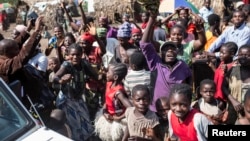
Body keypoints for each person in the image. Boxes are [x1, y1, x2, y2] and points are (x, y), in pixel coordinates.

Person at [139, 12, 192, 112]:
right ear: (161, 53)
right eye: (166, 49)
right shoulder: (156, 63)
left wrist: (188, 97)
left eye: (173, 49)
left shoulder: (182, 65)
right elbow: (144, 44)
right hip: (157, 109)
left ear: (177, 52)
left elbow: (189, 79)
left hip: (176, 110)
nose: (170, 50)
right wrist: (151, 19)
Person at [52, 43, 97, 141]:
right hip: (67, 100)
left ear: (81, 54)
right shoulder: (67, 65)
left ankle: (87, 138)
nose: (75, 57)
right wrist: (61, 81)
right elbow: (55, 77)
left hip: (78, 98)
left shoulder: (84, 64)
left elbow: (95, 75)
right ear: (68, 55)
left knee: (86, 120)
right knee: (74, 125)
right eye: (72, 55)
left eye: (77, 54)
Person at [94, 63, 132, 141]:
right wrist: (104, 111)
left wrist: (118, 118)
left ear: (115, 77)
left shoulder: (119, 93)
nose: (106, 73)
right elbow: (107, 101)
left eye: (108, 72)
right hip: (108, 115)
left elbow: (131, 108)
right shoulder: (109, 84)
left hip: (117, 120)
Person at [0, 16, 43, 84]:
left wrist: (28, 28)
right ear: (7, 52)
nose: (19, 50)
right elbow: (23, 56)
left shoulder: (4, 52)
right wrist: (36, 31)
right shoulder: (3, 65)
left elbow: (16, 43)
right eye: (17, 49)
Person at [222, 44, 250, 124]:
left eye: (247, 55)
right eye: (240, 55)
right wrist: (233, 101)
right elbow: (223, 87)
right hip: (233, 110)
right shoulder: (233, 70)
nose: (243, 57)